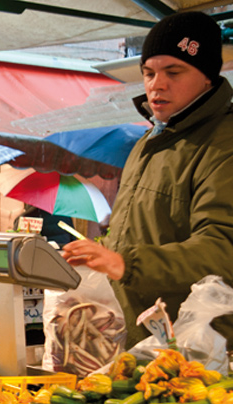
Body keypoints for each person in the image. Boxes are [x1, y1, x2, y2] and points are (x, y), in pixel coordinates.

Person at [62, 11, 233, 349]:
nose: (157, 84)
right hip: (150, 340)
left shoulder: (223, 143)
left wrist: (126, 263)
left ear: (208, 78)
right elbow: (142, 230)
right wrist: (101, 252)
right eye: (149, 73)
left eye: (174, 71)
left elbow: (223, 248)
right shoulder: (148, 142)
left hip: (206, 348)